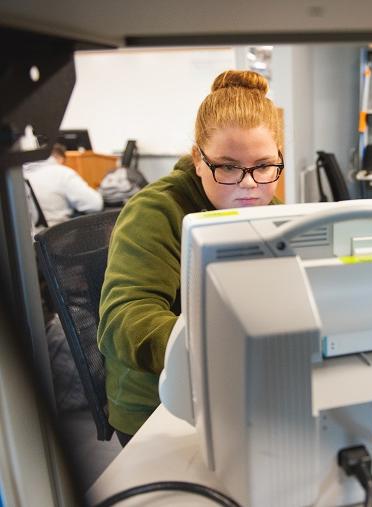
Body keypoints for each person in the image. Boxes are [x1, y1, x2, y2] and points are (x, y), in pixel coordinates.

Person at [97, 70, 284, 444]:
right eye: (228, 166)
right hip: (157, 403)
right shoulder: (155, 210)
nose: (249, 184)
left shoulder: (269, 204)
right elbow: (123, 319)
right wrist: (224, 352)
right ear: (198, 159)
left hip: (238, 385)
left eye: (264, 166)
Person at [23, 142, 103, 233]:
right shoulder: (61, 173)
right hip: (57, 239)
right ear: (60, 158)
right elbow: (95, 204)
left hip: (28, 240)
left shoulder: (19, 176)